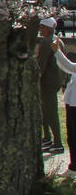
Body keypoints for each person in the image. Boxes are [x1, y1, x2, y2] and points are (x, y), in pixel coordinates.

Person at [50, 36, 76, 178]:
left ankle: (74, 168)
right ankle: (73, 167)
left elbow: (70, 67)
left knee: (73, 137)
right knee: (72, 137)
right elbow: (68, 68)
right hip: (72, 102)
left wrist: (57, 51)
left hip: (75, 104)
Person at [38, 17, 65, 153]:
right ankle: (48, 138)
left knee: (50, 112)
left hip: (47, 82)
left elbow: (41, 65)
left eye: (42, 27)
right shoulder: (58, 40)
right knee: (46, 110)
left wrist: (35, 80)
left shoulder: (46, 43)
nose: (40, 30)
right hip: (56, 81)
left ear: (48, 28)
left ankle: (57, 142)